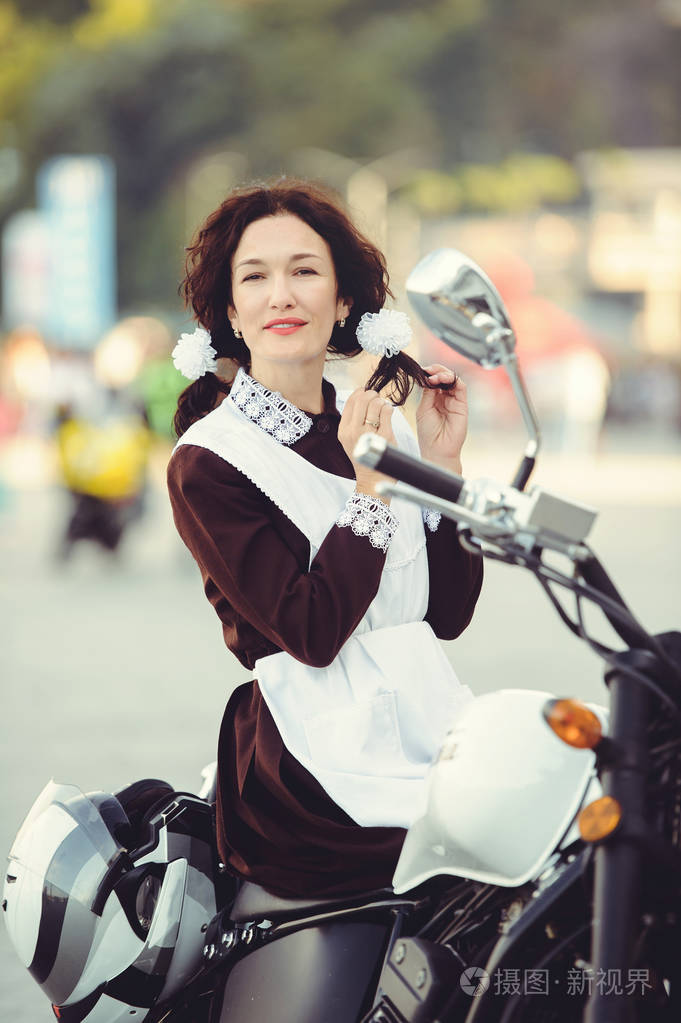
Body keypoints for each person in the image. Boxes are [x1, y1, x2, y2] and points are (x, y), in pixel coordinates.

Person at [166, 179, 483, 899]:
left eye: (304, 270)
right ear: (230, 315)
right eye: (256, 276)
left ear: (343, 303)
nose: (282, 294)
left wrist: (442, 466)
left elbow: (447, 615)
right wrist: (371, 491)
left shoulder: (384, 426)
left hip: (427, 725)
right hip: (309, 770)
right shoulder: (210, 460)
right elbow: (311, 631)